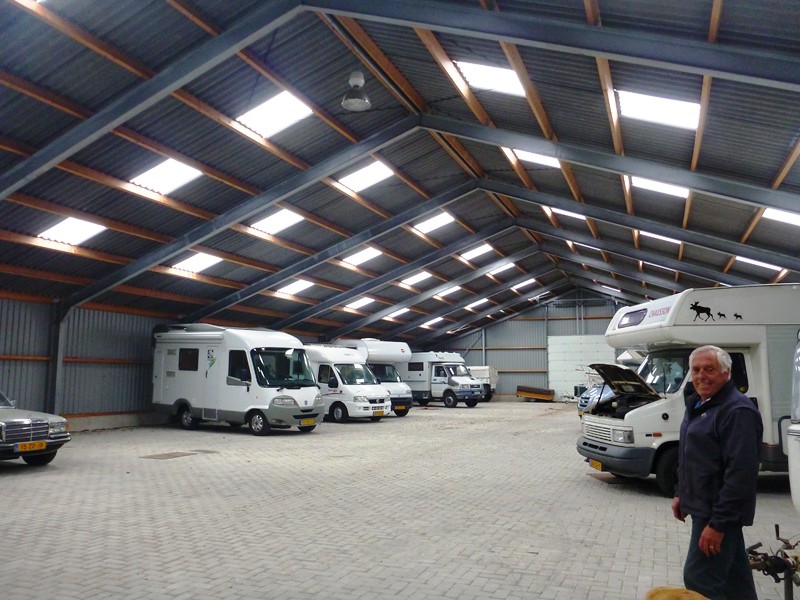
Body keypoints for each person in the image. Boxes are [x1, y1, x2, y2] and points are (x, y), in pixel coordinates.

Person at [671, 345, 762, 600]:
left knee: (699, 580)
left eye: (709, 369)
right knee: (735, 584)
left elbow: (741, 475)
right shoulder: (699, 404)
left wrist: (718, 524)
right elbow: (692, 455)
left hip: (717, 513)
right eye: (696, 370)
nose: (701, 376)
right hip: (704, 508)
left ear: (726, 373)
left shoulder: (737, 411)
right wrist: (681, 493)